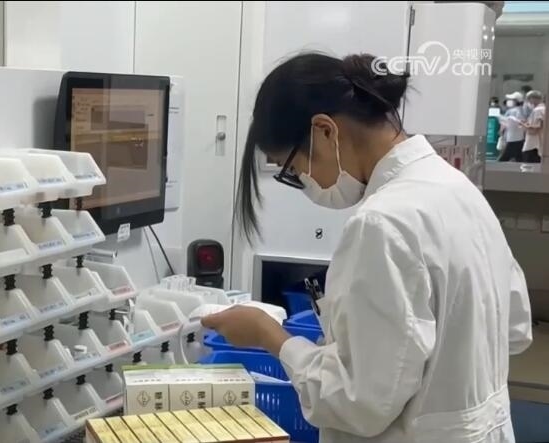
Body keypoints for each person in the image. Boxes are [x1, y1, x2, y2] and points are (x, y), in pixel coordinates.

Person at [204, 53, 532, 442]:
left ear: (325, 130)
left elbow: (357, 404)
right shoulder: (456, 188)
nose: (304, 182)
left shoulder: (383, 223)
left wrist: (269, 335)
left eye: (292, 169)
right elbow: (515, 329)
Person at [499, 92, 526, 162]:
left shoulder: (511, 111)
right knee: (519, 157)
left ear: (516, 101)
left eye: (511, 100)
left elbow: (503, 124)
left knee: (503, 159)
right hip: (519, 137)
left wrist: (501, 132)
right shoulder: (523, 110)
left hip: (511, 138)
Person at [521, 90, 544, 163]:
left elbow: (537, 127)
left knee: (529, 165)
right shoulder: (544, 109)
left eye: (529, 99)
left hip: (533, 144)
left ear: (533, 99)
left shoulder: (537, 110)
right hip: (540, 144)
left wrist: (524, 125)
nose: (528, 102)